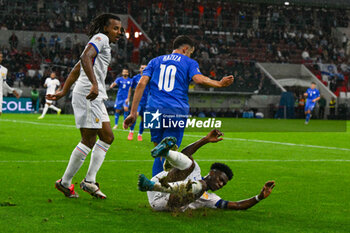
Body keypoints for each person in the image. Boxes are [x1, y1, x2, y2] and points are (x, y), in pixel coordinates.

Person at [124, 35, 234, 176]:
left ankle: (155, 189)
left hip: (153, 109)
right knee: (170, 154)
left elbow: (141, 84)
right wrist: (218, 83)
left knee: (159, 152)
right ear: (186, 49)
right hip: (175, 109)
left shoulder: (154, 61)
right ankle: (162, 191)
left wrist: (133, 113)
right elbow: (198, 79)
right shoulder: (189, 62)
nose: (190, 55)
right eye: (190, 52)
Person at [47, 13, 123, 199]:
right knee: (88, 140)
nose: (119, 32)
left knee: (107, 137)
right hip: (89, 94)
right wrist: (95, 83)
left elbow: (77, 67)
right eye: (115, 28)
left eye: (120, 29)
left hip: (94, 94)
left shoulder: (103, 43)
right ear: (105, 28)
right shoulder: (101, 38)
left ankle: (89, 181)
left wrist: (64, 91)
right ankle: (65, 183)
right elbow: (85, 56)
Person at [138, 129, 275, 212]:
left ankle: (157, 175)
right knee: (190, 164)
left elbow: (237, 205)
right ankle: (166, 153)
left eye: (223, 184)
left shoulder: (210, 198)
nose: (221, 184)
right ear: (212, 173)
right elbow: (186, 154)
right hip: (158, 185)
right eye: (221, 180)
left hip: (163, 203)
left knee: (201, 186)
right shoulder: (196, 171)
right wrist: (206, 140)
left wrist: (259, 197)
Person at [125, 64, 148, 141]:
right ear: (139, 69)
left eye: (145, 68)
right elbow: (130, 88)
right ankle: (131, 132)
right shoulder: (136, 78)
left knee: (144, 119)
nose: (143, 69)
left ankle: (140, 134)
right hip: (138, 101)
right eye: (142, 68)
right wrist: (128, 98)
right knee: (135, 115)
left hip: (147, 102)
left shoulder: (149, 78)